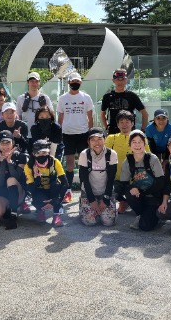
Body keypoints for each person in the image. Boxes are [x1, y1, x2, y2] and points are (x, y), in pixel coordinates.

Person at [57, 72, 94, 204]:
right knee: (70, 164)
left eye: (77, 82)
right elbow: (60, 118)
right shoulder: (62, 98)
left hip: (83, 134)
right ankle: (68, 190)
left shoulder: (86, 97)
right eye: (73, 81)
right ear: (68, 83)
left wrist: (90, 134)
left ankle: (84, 190)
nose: (75, 84)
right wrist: (59, 134)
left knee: (83, 163)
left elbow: (90, 117)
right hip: (67, 134)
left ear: (80, 83)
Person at [116, 130, 164, 231]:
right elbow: (124, 183)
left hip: (153, 196)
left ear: (145, 143)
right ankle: (142, 215)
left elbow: (160, 182)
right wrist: (131, 188)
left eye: (140, 142)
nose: (137, 145)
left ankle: (154, 216)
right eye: (134, 142)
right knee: (127, 192)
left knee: (145, 227)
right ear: (129, 145)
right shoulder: (127, 162)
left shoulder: (152, 159)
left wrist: (143, 192)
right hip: (139, 196)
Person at [106, 110, 150, 214]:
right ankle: (122, 201)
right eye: (121, 122)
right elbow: (104, 157)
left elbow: (148, 158)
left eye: (127, 122)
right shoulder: (111, 138)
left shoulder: (140, 139)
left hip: (135, 179)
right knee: (109, 189)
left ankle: (137, 203)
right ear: (117, 124)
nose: (124, 124)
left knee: (136, 204)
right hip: (116, 179)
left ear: (132, 123)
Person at [77, 127, 118, 227]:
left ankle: (104, 207)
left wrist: (106, 199)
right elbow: (84, 179)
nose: (97, 142)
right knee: (90, 222)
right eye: (93, 140)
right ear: (88, 142)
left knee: (108, 222)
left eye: (100, 139)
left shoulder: (111, 154)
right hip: (89, 191)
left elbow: (111, 179)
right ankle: (83, 205)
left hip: (106, 191)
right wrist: (92, 200)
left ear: (105, 140)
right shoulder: (84, 154)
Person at [0, 130, 29, 230]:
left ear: (13, 143)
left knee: (11, 180)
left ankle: (13, 214)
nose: (5, 146)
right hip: (3, 193)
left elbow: (16, 177)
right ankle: (8, 209)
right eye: (2, 143)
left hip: (18, 192)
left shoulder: (21, 156)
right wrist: (3, 163)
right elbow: (0, 182)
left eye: (8, 142)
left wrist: (10, 162)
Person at [24, 139, 68, 227]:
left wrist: (57, 199)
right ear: (33, 154)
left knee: (56, 185)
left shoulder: (55, 162)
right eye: (38, 153)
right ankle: (40, 210)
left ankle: (57, 214)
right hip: (40, 191)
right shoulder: (29, 166)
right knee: (37, 199)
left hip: (53, 190)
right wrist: (36, 178)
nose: (41, 156)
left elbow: (65, 183)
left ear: (48, 152)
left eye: (44, 153)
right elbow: (31, 188)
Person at [101, 68, 148, 134]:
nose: (120, 82)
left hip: (129, 132)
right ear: (113, 80)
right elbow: (103, 113)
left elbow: (145, 113)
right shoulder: (107, 96)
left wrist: (142, 130)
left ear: (126, 80)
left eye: (122, 79)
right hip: (113, 132)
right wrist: (106, 127)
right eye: (118, 79)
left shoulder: (132, 96)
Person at [16, 72, 53, 137]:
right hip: (26, 134)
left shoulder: (45, 98)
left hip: (42, 134)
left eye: (36, 81)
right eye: (32, 81)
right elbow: (19, 116)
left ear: (39, 83)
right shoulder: (21, 98)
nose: (34, 84)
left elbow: (51, 115)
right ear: (28, 82)